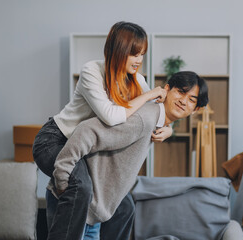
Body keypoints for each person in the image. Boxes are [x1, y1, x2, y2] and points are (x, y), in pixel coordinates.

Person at [32, 21, 172, 240]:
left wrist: (168, 130)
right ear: (118, 51)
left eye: (142, 54)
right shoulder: (92, 72)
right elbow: (111, 116)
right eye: (134, 54)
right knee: (80, 186)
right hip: (56, 140)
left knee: (125, 207)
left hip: (86, 148)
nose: (139, 60)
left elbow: (154, 114)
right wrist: (147, 95)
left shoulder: (137, 81)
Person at [49, 71, 209, 240]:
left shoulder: (155, 120)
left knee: (127, 207)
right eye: (181, 92)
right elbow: (86, 130)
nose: (183, 101)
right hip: (75, 205)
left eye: (192, 99)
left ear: (196, 109)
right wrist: (62, 179)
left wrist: (170, 130)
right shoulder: (144, 119)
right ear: (167, 89)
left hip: (91, 213)